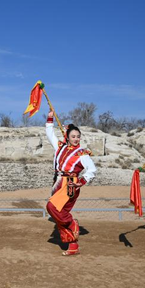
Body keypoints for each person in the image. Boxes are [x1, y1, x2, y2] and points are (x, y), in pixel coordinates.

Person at [44, 110, 97, 256]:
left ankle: (72, 223)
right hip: (58, 182)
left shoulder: (82, 153)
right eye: (73, 136)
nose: (76, 139)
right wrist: (50, 118)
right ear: (67, 136)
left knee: (51, 207)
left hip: (70, 184)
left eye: (78, 136)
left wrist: (81, 181)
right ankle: (72, 245)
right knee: (59, 214)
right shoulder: (60, 147)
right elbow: (50, 134)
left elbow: (92, 169)